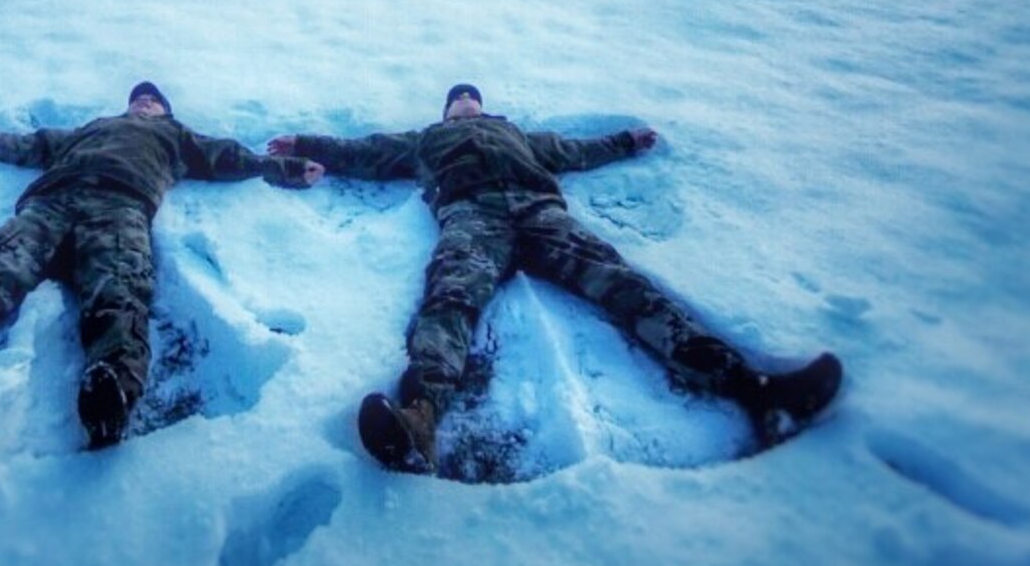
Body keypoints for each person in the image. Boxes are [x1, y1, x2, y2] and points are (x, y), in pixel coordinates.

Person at [268, 83, 841, 474]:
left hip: (542, 212)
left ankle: (753, 389)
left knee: (624, 286)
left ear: (482, 105)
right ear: (446, 113)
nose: (465, 102)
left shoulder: (520, 135)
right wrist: (307, 145)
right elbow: (366, 152)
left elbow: (573, 150)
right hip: (472, 216)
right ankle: (419, 418)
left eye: (471, 96)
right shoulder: (426, 140)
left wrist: (623, 142)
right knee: (450, 299)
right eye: (456, 99)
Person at [0, 81, 324, 455]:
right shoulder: (90, 129)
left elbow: (232, 157)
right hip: (46, 208)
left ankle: (111, 399)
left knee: (119, 295)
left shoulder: (177, 136)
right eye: (138, 98)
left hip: (119, 209)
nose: (144, 103)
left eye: (153, 100)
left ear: (163, 111)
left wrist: (289, 169)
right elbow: (30, 146)